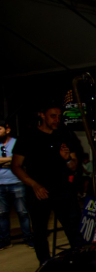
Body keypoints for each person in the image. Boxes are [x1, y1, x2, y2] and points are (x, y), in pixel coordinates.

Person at [11, 105, 84, 263]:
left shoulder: (65, 135)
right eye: (52, 116)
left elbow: (73, 165)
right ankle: (45, 266)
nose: (56, 120)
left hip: (63, 190)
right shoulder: (28, 136)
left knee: (74, 230)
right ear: (42, 115)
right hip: (39, 191)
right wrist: (34, 185)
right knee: (40, 232)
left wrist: (67, 159)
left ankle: (79, 263)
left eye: (59, 116)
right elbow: (16, 166)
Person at [0, 119, 34, 250]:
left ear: (7, 129)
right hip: (0, 183)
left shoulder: (16, 142)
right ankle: (5, 241)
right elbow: (14, 161)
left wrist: (7, 161)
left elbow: (21, 160)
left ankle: (28, 238)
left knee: (22, 212)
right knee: (2, 214)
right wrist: (11, 160)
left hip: (17, 182)